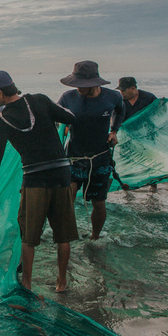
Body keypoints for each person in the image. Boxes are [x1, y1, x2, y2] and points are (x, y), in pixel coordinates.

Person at [0, 71, 78, 292]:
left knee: (28, 236)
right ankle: (61, 283)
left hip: (35, 180)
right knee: (63, 235)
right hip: (61, 175)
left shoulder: (2, 121)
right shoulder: (39, 99)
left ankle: (27, 284)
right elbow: (70, 117)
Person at [57, 61, 124, 241]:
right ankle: (67, 237)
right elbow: (55, 118)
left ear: (95, 83)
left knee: (99, 203)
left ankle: (95, 237)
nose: (78, 88)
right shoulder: (67, 97)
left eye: (82, 85)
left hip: (100, 158)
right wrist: (61, 127)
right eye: (76, 84)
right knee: (67, 197)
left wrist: (114, 131)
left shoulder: (113, 97)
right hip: (74, 156)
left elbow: (120, 110)